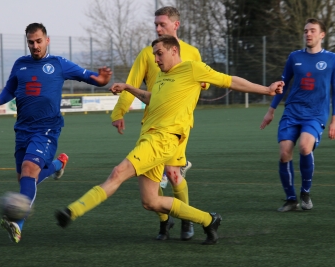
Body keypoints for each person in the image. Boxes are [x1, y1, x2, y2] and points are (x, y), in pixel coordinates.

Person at [55, 35, 284, 245]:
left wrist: (267, 90)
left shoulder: (192, 69)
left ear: (174, 51)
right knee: (150, 201)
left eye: (159, 53)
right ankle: (208, 220)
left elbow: (229, 81)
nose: (155, 59)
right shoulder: (163, 77)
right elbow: (152, 98)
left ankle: (72, 211)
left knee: (117, 173)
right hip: (149, 137)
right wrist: (128, 87)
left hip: (163, 140)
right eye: (154, 54)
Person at [0, 23, 112, 243]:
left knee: (28, 169)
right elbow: (9, 89)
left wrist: (101, 80)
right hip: (22, 129)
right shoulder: (20, 64)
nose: (35, 46)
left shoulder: (59, 64)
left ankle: (17, 223)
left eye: (39, 41)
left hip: (47, 129)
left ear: (47, 40)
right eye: (31, 42)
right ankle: (58, 164)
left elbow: (89, 77)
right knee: (25, 179)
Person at [111, 6, 207, 241]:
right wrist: (119, 112)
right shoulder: (147, 54)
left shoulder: (192, 53)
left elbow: (204, 77)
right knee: (151, 176)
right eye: (155, 24)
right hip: (152, 125)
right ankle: (165, 221)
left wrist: (204, 83)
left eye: (162, 24)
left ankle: (188, 220)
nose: (157, 28)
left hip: (178, 127)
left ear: (176, 25)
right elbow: (131, 84)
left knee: (173, 174)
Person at [260, 18, 335, 212]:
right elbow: (282, 85)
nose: (308, 34)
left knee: (304, 146)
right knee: (285, 153)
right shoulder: (294, 57)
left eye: (312, 30)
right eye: (305, 31)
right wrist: (271, 111)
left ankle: (305, 192)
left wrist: (334, 120)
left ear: (322, 35)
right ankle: (291, 199)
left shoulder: (331, 59)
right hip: (292, 112)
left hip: (316, 114)